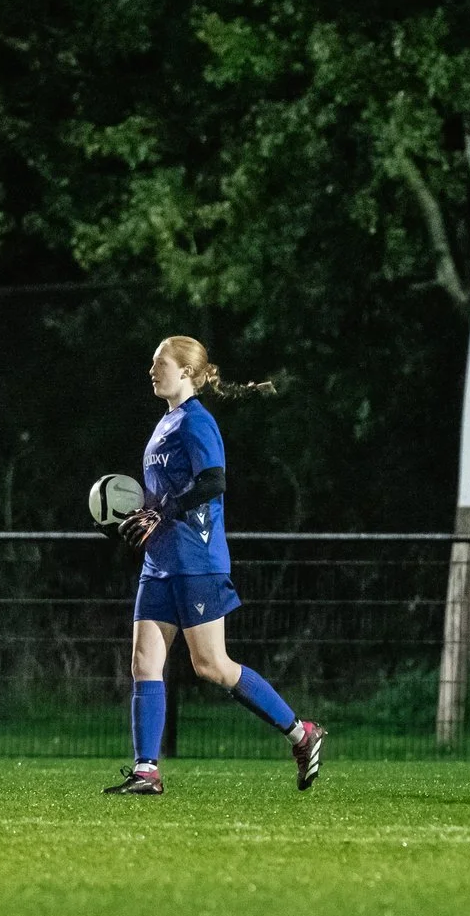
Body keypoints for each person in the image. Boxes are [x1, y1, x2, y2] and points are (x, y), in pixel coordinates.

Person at [108, 336, 325, 796]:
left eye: (160, 363)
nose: (152, 370)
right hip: (160, 562)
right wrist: (135, 516)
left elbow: (213, 482)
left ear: (186, 371)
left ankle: (301, 733)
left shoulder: (196, 421)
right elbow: (163, 496)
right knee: (144, 662)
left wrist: (164, 510)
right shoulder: (165, 423)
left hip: (197, 560)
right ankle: (146, 771)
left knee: (211, 665)